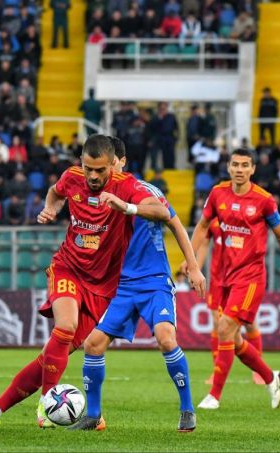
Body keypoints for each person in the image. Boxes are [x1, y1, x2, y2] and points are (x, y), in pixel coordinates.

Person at [0, 134, 171, 437]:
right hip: (67, 267)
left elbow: (162, 212)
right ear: (81, 162)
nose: (93, 176)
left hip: (102, 287)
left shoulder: (126, 186)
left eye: (100, 170)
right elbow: (55, 193)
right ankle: (45, 402)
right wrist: (51, 208)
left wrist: (127, 207)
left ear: (112, 166)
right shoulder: (72, 177)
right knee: (64, 327)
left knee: (53, 357)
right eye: (88, 168)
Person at [70, 136, 206, 432]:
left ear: (120, 163)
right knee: (92, 344)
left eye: (110, 166)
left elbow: (174, 222)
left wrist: (193, 266)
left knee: (165, 338)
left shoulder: (143, 191)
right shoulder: (94, 195)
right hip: (118, 285)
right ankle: (93, 416)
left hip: (153, 281)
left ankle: (187, 409)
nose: (103, 174)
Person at [186, 148, 280, 410]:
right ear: (228, 167)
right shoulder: (218, 194)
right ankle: (270, 376)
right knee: (234, 339)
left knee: (226, 328)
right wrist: (191, 260)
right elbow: (203, 227)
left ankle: (214, 395)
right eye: (235, 164)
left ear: (253, 169)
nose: (239, 169)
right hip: (224, 276)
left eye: (245, 165)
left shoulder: (264, 200)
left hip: (250, 277)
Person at [194, 217, 266, 386]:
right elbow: (204, 243)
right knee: (217, 324)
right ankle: (216, 371)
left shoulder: (241, 216)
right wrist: (196, 266)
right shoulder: (212, 217)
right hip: (218, 279)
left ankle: (258, 371)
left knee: (250, 323)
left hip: (241, 279)